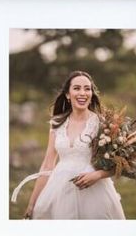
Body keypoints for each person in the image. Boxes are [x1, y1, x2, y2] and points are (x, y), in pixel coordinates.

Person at [16, 70, 126, 220]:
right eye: (77, 88)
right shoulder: (56, 123)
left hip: (95, 192)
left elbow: (120, 163)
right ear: (68, 94)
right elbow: (48, 164)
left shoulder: (103, 124)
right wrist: (31, 203)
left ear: (92, 94)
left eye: (87, 89)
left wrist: (98, 174)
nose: (83, 93)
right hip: (59, 189)